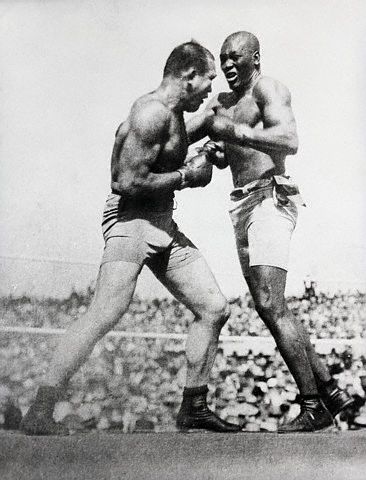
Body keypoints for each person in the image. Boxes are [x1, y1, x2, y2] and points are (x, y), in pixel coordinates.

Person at [20, 41, 241, 435]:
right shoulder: (150, 112)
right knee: (104, 312)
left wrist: (206, 131)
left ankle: (193, 407)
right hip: (131, 222)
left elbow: (169, 149)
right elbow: (126, 181)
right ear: (188, 76)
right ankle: (41, 408)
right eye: (207, 83)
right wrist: (186, 177)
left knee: (213, 307)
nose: (210, 90)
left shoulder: (170, 114)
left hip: (161, 223)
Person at [187, 31, 353, 432]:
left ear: (255, 58)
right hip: (242, 203)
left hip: (270, 197)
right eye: (223, 58)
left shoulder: (268, 88)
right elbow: (210, 142)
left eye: (235, 58)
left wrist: (236, 134)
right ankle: (330, 391)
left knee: (268, 301)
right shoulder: (223, 101)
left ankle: (313, 406)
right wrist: (213, 150)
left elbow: (289, 140)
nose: (227, 65)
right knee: (269, 303)